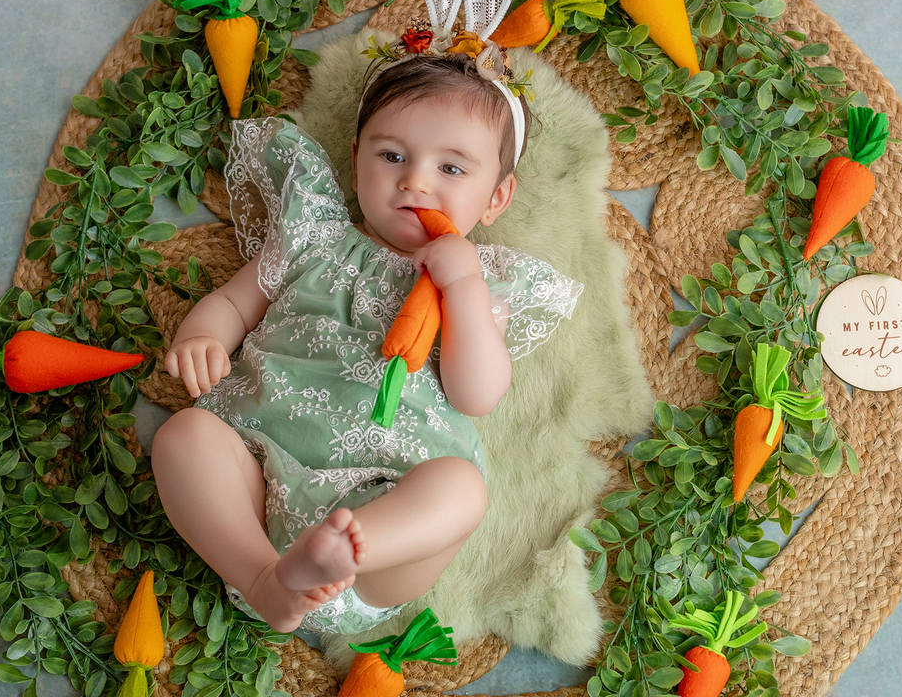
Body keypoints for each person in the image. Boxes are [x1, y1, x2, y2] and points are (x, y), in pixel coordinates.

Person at [150, 45, 583, 637]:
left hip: (382, 523)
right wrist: (203, 336)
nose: (416, 181)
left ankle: (343, 549)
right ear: (356, 163)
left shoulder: (480, 288)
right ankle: (262, 581)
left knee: (460, 490)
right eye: (393, 155)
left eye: (452, 169)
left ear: (496, 198)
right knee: (184, 436)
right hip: (255, 476)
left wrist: (461, 285)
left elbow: (477, 393)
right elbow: (233, 302)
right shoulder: (312, 241)